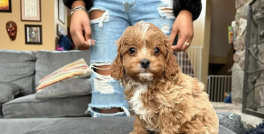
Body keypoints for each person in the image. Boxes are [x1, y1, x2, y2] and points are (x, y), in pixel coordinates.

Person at [63, 0, 202, 117]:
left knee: (163, 94)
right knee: (106, 100)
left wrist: (187, 7)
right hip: (105, 4)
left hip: (159, 3)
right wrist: (77, 4)